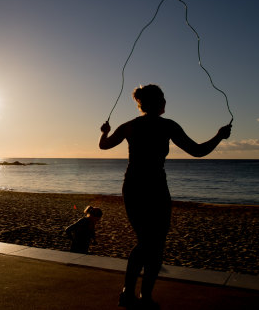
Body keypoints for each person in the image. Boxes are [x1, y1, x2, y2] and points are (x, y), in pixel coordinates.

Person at [99, 84, 231, 309]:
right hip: (155, 188)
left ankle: (131, 294)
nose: (165, 102)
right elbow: (197, 151)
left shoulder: (129, 126)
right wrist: (219, 136)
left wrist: (104, 131)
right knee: (154, 243)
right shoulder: (168, 126)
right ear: (154, 102)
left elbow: (104, 145)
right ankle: (140, 295)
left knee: (148, 242)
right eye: (162, 98)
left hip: (134, 186)